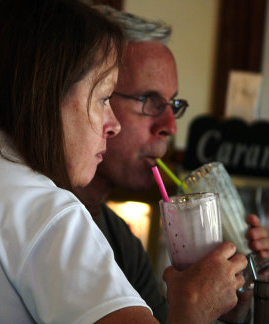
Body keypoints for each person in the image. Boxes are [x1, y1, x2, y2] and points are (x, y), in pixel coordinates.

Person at [0, 1, 248, 323]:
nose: (111, 124)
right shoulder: (42, 209)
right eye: (103, 98)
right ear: (48, 95)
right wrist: (195, 307)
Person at [75, 5, 269, 324]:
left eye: (172, 104)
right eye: (150, 101)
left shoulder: (119, 237)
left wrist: (226, 309)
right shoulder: (56, 224)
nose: (170, 126)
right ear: (99, 95)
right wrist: (195, 305)